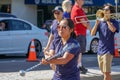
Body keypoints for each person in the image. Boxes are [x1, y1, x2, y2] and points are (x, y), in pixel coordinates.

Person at [91, 3, 119, 80]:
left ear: (111, 12)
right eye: (104, 10)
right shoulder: (100, 22)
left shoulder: (114, 22)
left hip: (108, 51)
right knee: (104, 73)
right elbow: (92, 33)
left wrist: (107, 21)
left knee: (107, 73)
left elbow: (113, 30)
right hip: (100, 50)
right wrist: (96, 24)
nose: (104, 11)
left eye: (106, 10)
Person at [71, 0, 91, 74]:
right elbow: (84, 23)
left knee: (79, 52)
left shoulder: (79, 9)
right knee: (79, 52)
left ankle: (79, 65)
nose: (83, 0)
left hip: (80, 33)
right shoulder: (77, 9)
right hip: (79, 33)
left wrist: (87, 24)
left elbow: (85, 20)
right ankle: (78, 67)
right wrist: (89, 26)